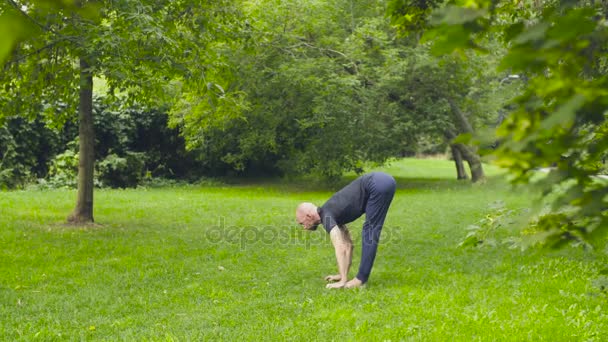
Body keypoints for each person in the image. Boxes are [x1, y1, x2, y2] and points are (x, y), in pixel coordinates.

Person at [295, 172, 396, 289]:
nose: (304, 227)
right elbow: (348, 245)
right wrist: (342, 275)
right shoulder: (330, 212)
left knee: (370, 230)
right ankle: (357, 278)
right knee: (370, 229)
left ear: (309, 216)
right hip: (383, 181)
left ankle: (361, 280)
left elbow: (340, 247)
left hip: (377, 183)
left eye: (302, 223)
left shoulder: (326, 217)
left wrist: (342, 281)